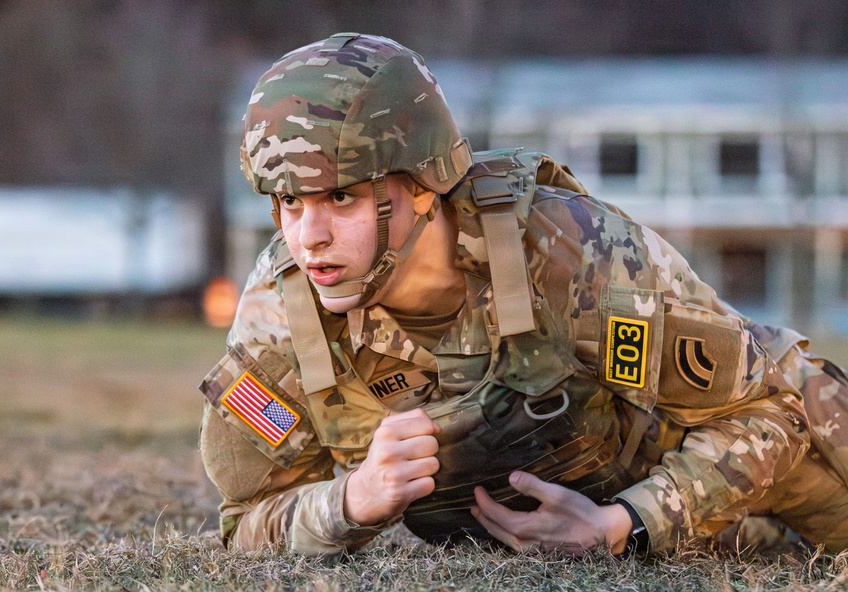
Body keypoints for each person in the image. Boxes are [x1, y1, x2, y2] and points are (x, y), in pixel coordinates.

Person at [199, 32, 848, 557]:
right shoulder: (280, 315)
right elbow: (247, 520)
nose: (308, 237)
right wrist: (350, 501)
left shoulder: (572, 253)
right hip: (643, 501)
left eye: (342, 197)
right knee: (753, 546)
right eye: (288, 201)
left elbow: (770, 412)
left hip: (759, 449)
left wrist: (625, 524)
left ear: (425, 183)